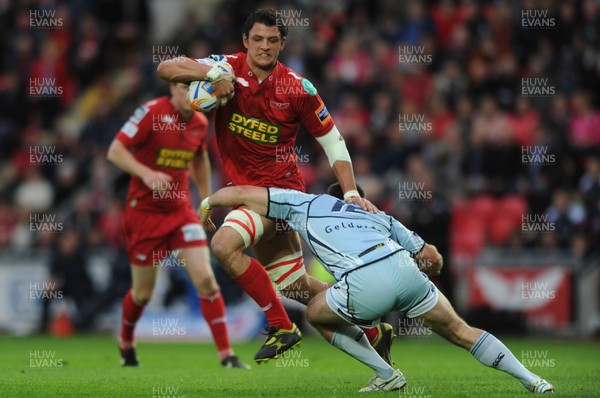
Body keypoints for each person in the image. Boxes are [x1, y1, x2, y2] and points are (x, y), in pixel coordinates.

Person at [157, 8, 391, 364]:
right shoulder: (228, 67)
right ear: (245, 42)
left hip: (280, 195)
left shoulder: (298, 89)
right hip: (243, 192)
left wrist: (351, 193)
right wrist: (213, 73)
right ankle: (374, 330)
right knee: (293, 284)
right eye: (257, 40)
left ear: (282, 44)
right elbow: (166, 68)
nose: (264, 47)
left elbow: (332, 140)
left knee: (223, 245)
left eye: (272, 41)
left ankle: (282, 327)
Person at [198, 183, 555, 394]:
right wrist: (427, 268)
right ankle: (532, 380)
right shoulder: (378, 215)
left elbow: (242, 192)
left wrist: (209, 202)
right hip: (406, 271)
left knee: (314, 313)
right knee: (461, 330)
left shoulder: (307, 203)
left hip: (365, 282)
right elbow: (432, 258)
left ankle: (387, 375)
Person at [106, 82, 249, 369]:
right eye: (185, 88)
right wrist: (145, 173)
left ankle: (226, 355)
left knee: (207, 280)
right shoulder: (150, 113)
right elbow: (115, 151)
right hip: (144, 214)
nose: (191, 94)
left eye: (196, 88)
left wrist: (207, 199)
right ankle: (126, 340)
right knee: (143, 294)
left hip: (180, 212)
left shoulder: (198, 121)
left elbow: (200, 159)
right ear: (173, 89)